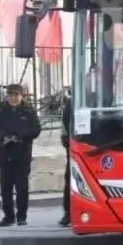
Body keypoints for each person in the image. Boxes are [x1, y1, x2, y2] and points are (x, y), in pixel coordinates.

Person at [0, 84, 41, 227]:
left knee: (22, 187)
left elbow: (35, 129)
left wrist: (20, 136)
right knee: (6, 187)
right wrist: (1, 135)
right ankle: (8, 216)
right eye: (10, 95)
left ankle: (21, 216)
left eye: (16, 95)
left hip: (22, 153)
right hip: (5, 153)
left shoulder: (28, 111)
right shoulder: (1, 110)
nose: (13, 98)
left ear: (21, 96)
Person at [59, 92, 71, 227]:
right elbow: (64, 125)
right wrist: (67, 142)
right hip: (75, 147)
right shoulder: (72, 102)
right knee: (70, 179)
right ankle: (68, 213)